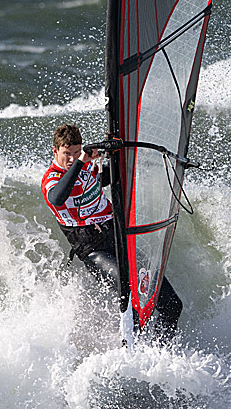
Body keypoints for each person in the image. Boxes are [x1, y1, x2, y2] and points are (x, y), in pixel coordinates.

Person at [41, 122, 182, 340]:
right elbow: (57, 198)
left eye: (76, 153)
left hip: (117, 237)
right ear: (55, 151)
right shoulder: (52, 178)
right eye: (66, 154)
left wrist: (115, 154)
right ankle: (133, 353)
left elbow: (105, 178)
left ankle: (162, 352)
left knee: (172, 304)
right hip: (93, 249)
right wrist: (80, 161)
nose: (71, 159)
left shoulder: (87, 166)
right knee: (132, 291)